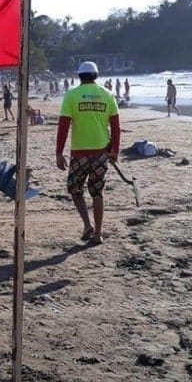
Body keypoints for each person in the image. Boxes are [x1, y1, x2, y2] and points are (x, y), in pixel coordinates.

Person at [56, 61, 120, 245]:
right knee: (97, 192)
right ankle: (98, 232)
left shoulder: (71, 95)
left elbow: (63, 127)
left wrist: (59, 153)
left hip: (79, 154)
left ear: (79, 76)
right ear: (96, 76)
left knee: (75, 189)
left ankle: (87, 224)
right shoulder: (107, 95)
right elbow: (116, 127)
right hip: (101, 153)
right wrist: (115, 150)